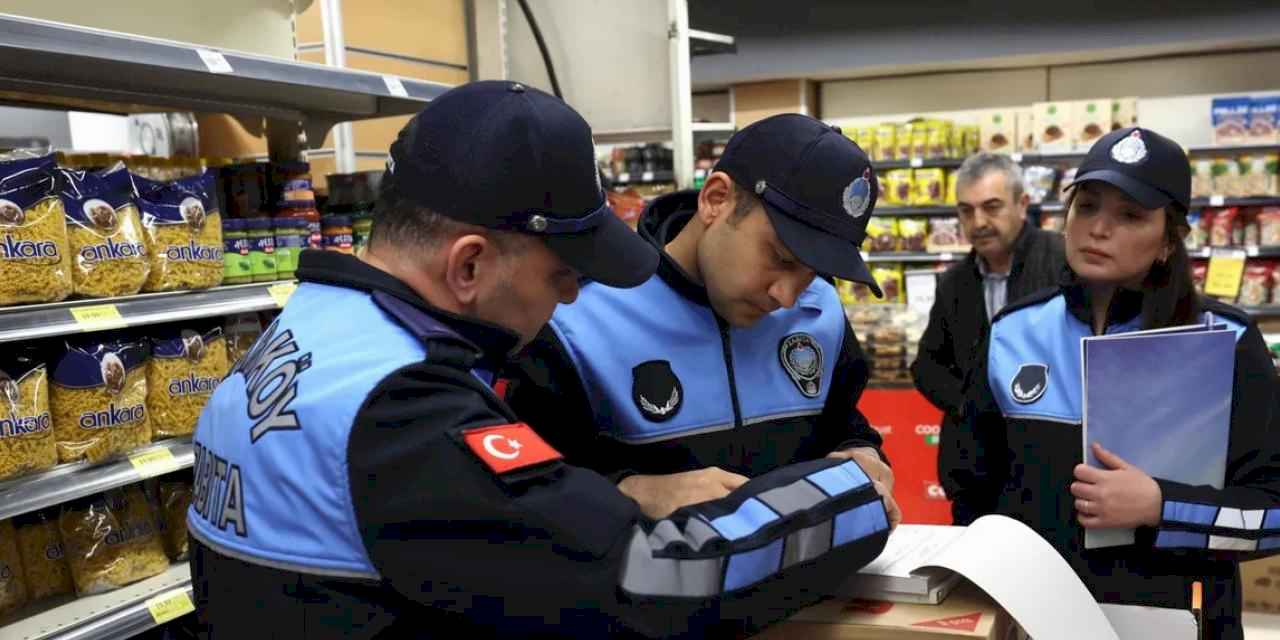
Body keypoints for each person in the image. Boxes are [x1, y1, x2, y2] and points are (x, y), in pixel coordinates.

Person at [187, 81, 894, 639]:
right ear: (469, 264)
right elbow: (656, 577)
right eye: (563, 274)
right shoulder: (402, 410)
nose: (569, 298)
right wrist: (855, 501)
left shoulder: (315, 332)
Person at [946, 126, 1280, 639]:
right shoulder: (1012, 333)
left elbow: (1272, 513)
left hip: (1179, 625)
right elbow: (969, 489)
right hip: (1035, 622)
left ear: (1170, 238)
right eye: (1087, 206)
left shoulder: (1226, 342)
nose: (1098, 229)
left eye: (1130, 215)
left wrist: (1163, 506)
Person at [505, 113, 900, 529]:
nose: (787, 297)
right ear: (715, 199)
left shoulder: (822, 309)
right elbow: (524, 494)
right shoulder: (575, 320)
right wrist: (634, 491)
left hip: (808, 585)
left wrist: (863, 454)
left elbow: (842, 423)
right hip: (641, 587)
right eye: (781, 258)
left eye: (813, 270)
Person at [910, 152, 1065, 524]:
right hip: (975, 476)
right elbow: (927, 364)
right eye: (966, 211)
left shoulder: (1063, 262)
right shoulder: (954, 283)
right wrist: (969, 405)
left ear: (1022, 204)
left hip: (1050, 471)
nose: (978, 222)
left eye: (991, 207)